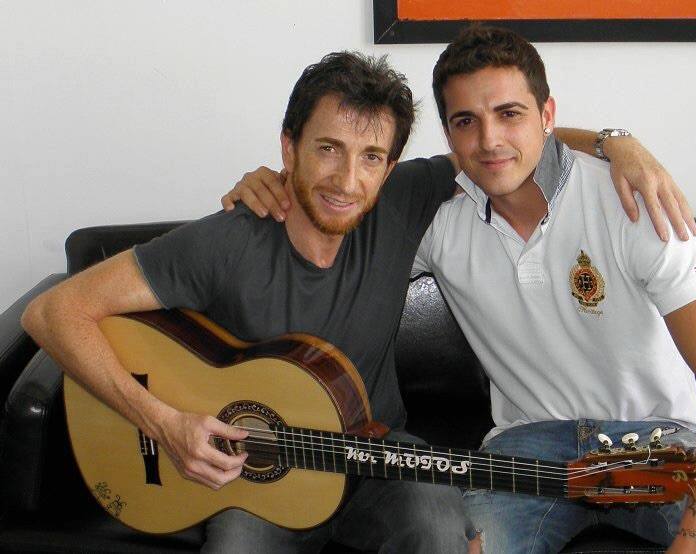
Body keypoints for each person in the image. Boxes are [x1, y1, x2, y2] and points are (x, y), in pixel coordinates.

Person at [227, 27, 696, 553]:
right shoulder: (437, 220)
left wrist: (695, 545)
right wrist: (275, 189)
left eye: (510, 114)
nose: (489, 140)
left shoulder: (633, 200)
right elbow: (332, 218)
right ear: (448, 134)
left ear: (547, 116)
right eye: (466, 121)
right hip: (527, 448)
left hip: (655, 442)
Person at [22, 51, 476, 554]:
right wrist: (163, 423)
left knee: (438, 522)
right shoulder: (227, 242)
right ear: (289, 148)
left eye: (371, 156)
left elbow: (500, 151)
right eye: (328, 148)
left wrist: (555, 131)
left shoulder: (404, 199)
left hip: (374, 458)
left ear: (389, 168)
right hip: (253, 477)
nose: (348, 180)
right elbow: (51, 312)